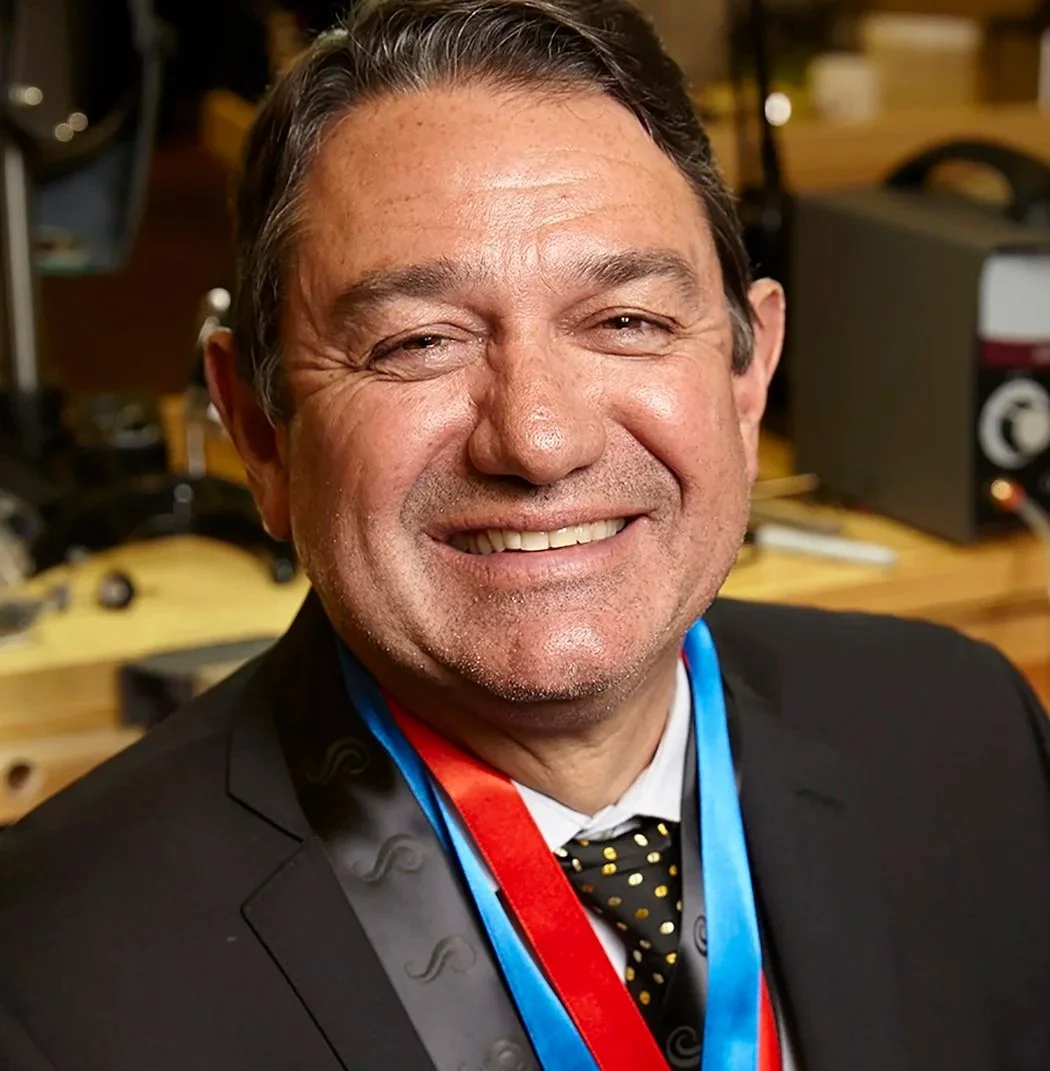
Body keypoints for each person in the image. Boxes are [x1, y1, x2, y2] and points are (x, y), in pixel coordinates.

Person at [2, 1, 1049, 1068]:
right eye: (419, 341)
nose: (540, 440)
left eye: (627, 322)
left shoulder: (973, 736)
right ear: (260, 430)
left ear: (747, 376)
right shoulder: (47, 981)